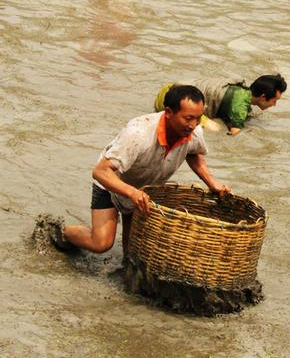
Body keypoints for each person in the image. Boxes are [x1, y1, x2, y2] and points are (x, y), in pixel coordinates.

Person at [48, 85, 231, 258]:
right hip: (112, 183)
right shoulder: (138, 133)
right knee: (101, 243)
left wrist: (211, 183)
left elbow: (194, 153)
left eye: (198, 118)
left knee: (133, 254)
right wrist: (131, 193)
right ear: (168, 113)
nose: (193, 125)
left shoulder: (193, 132)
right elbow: (100, 172)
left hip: (142, 191)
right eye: (188, 118)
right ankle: (60, 231)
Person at [154, 74, 287, 136]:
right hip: (170, 100)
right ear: (263, 97)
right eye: (274, 100)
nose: (274, 105)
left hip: (172, 90)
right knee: (215, 129)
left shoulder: (242, 90)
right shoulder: (240, 105)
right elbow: (235, 133)